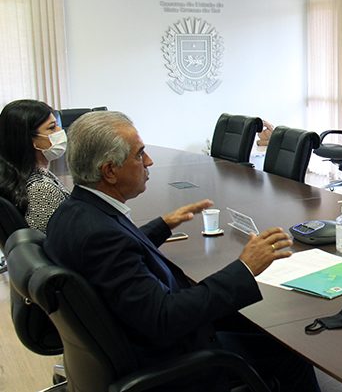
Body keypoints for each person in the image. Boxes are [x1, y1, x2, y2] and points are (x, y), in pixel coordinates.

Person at [44, 111, 320, 392]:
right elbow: (165, 318)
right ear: (109, 171)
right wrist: (246, 266)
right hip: (172, 361)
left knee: (258, 323)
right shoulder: (101, 237)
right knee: (289, 352)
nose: (149, 161)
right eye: (140, 155)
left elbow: (120, 251)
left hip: (129, 342)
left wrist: (162, 225)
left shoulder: (72, 212)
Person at [0, 99, 70, 232]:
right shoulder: (41, 190)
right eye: (52, 127)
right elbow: (57, 244)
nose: (60, 131)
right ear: (29, 139)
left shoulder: (27, 176)